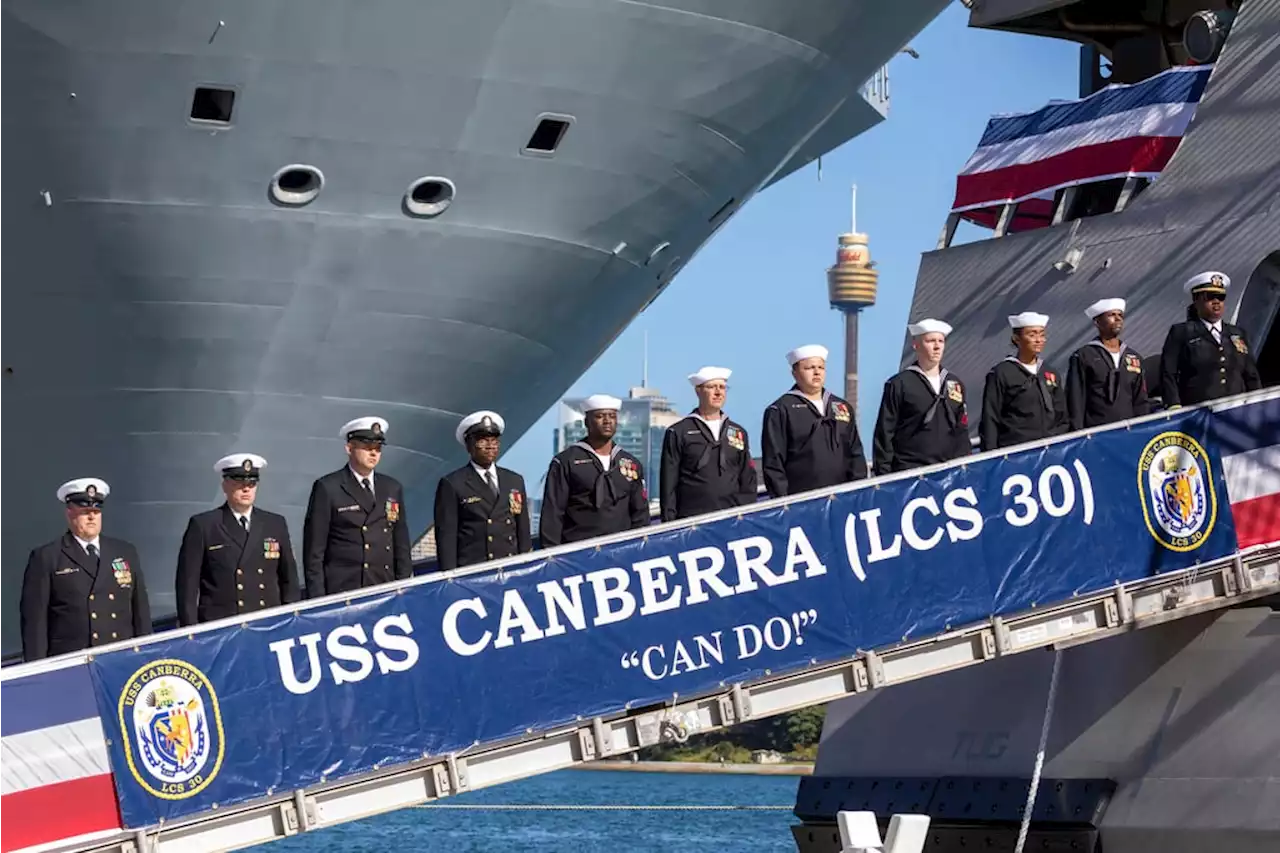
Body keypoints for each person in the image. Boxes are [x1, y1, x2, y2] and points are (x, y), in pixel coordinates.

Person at [19, 479, 151, 661]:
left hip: (120, 658)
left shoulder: (124, 551)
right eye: (85, 512)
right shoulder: (47, 557)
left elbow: (141, 612)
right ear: (69, 513)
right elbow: (35, 623)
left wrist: (147, 655)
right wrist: (38, 671)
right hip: (73, 662)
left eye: (96, 512)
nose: (92, 517)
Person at [175, 453, 300, 626]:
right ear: (225, 486)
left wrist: (290, 621)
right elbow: (187, 586)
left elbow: (289, 580)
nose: (246, 489)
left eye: (251, 483)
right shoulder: (204, 525)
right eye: (239, 483)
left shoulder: (274, 523)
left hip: (268, 623)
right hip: (223, 628)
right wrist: (191, 631)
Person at [303, 417, 412, 598]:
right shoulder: (329, 487)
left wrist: (403, 586)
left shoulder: (391, 487)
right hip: (344, 590)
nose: (373, 454)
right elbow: (314, 550)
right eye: (367, 448)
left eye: (377, 449)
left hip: (385, 586)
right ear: (349, 448)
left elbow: (400, 542)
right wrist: (319, 600)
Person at [540, 394, 649, 546]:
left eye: (612, 416)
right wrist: (551, 557)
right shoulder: (566, 461)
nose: (607, 421)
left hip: (621, 550)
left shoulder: (631, 463)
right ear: (587, 422)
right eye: (600, 416)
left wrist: (640, 547)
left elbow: (640, 513)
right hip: (577, 551)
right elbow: (553, 514)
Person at [761, 344, 867, 498]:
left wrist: (859, 491)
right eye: (809, 368)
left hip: (842, 498)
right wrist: (782, 502)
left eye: (821, 367)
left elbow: (855, 453)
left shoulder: (841, 407)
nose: (817, 372)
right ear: (795, 373)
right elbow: (773, 463)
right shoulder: (780, 410)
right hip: (802, 500)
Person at [433, 410, 532, 570]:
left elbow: (523, 531)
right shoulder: (453, 483)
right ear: (469, 445)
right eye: (483, 441)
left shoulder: (514, 480)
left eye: (494, 440)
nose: (490, 446)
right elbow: (447, 538)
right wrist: (449, 577)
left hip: (510, 568)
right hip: (474, 572)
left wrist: (526, 567)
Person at [872, 319, 972, 475]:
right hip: (910, 471)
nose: (937, 346)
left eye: (941, 341)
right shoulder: (899, 384)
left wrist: (965, 468)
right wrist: (884, 476)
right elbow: (885, 433)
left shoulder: (955, 384)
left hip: (949, 472)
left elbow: (961, 432)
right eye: (931, 341)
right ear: (916, 345)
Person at [659, 366, 758, 522]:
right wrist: (670, 524)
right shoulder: (679, 432)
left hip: (732, 518)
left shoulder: (738, 432)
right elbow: (668, 484)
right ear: (698, 391)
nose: (718, 392)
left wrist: (745, 515)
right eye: (712, 387)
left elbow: (748, 479)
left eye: (723, 387)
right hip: (692, 520)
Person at [1159, 271, 1261, 408]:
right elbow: (1168, 372)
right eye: (1210, 297)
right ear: (1196, 300)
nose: (1216, 302)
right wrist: (1174, 405)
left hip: (1237, 413)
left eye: (1221, 297)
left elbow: (1251, 375)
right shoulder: (1182, 332)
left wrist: (1258, 403)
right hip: (1200, 414)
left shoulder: (1237, 333)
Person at [979, 312, 1068, 451]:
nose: (1038, 340)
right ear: (1016, 339)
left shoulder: (1050, 372)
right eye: (1032, 335)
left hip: (1050, 448)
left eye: (1042, 335)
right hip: (1017, 450)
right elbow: (990, 418)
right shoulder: (1002, 373)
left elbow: (1062, 415)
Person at [1066, 298, 1150, 431]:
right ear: (1097, 322)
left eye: (1120, 315)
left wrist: (1143, 428)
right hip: (1096, 432)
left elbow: (1140, 399)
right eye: (1112, 315)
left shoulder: (1133, 357)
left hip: (1129, 431)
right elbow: (1076, 400)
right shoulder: (1083, 356)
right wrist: (1079, 433)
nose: (1118, 319)